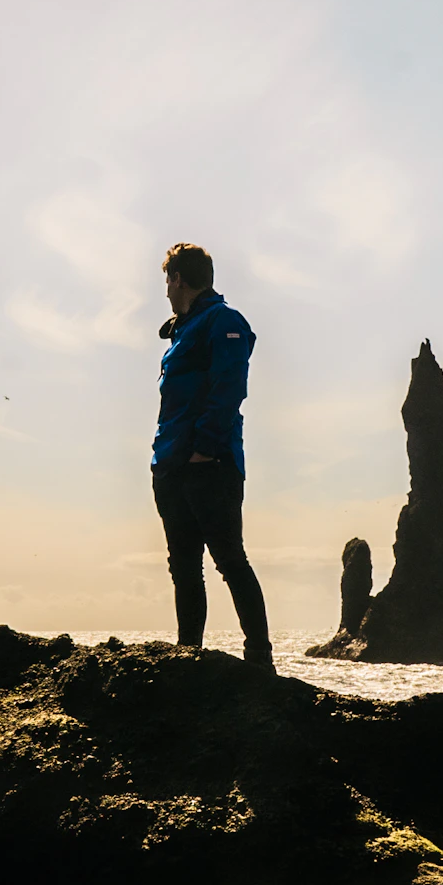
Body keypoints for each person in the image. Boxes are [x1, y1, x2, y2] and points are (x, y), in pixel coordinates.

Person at [151, 242, 273, 670]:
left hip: (210, 466)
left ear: (178, 278)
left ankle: (259, 658)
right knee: (184, 567)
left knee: (229, 559)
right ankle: (190, 657)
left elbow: (230, 387)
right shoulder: (183, 329)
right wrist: (165, 461)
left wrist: (204, 449)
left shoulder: (225, 322)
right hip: (170, 465)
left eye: (167, 280)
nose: (165, 290)